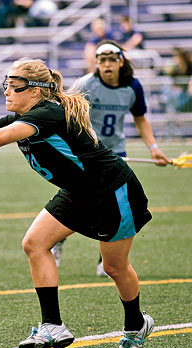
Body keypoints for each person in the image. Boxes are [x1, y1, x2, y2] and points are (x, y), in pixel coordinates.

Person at [0, 58, 155, 348]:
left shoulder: (48, 113)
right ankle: (53, 325)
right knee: (35, 243)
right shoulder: (26, 114)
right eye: (5, 86)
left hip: (111, 192)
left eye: (14, 87)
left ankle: (136, 325)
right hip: (78, 193)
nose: (7, 92)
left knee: (114, 267)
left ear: (34, 91)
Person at [62, 40, 170, 276]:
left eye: (112, 60)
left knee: (112, 206)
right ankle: (58, 233)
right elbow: (69, 117)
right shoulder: (86, 85)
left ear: (121, 62)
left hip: (116, 153)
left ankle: (104, 261)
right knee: (84, 198)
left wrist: (154, 148)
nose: (107, 65)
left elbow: (140, 119)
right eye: (102, 61)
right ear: (96, 64)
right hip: (88, 151)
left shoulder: (132, 86)